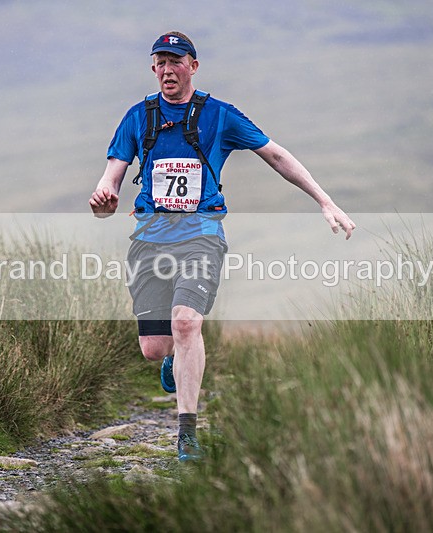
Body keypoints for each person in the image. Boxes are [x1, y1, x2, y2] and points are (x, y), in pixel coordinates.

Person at [89, 31, 355, 462]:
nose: (167, 69)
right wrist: (103, 198)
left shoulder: (220, 115)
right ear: (153, 69)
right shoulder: (138, 117)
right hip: (149, 241)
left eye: (176, 61)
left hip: (202, 237)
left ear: (193, 66)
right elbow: (110, 180)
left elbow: (277, 156)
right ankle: (172, 358)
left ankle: (186, 435)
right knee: (156, 347)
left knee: (187, 324)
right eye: (160, 62)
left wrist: (325, 202)